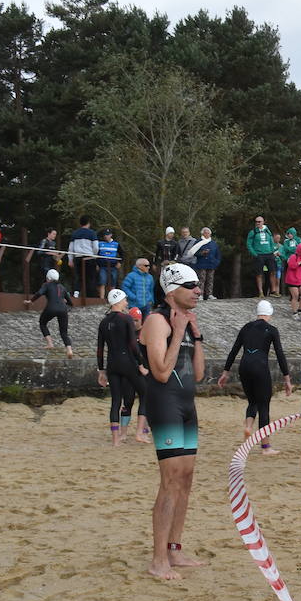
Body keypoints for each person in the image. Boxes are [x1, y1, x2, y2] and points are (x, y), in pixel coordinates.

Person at [141, 263, 207, 579]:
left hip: (186, 405)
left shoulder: (184, 321)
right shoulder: (156, 321)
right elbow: (162, 373)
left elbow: (198, 374)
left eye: (198, 284)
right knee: (169, 481)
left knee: (186, 477)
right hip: (164, 404)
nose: (198, 289)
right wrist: (179, 330)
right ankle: (158, 560)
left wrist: (197, 336)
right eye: (190, 285)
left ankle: (175, 550)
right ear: (171, 290)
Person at [217, 300, 293, 455]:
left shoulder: (246, 327)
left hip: (244, 367)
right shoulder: (271, 330)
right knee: (264, 405)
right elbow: (280, 354)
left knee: (252, 402)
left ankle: (248, 427)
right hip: (260, 367)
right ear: (270, 314)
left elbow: (234, 350)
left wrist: (225, 372)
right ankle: (266, 447)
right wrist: (287, 379)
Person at [96, 288, 149, 445]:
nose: (126, 302)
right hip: (127, 363)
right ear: (118, 301)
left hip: (112, 364)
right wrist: (140, 364)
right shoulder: (125, 319)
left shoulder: (103, 322)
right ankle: (140, 432)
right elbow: (133, 345)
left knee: (116, 401)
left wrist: (101, 371)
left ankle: (116, 440)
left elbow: (99, 349)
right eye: (125, 299)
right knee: (146, 394)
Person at [29, 269, 74, 357]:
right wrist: (64, 303)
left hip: (51, 308)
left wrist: (31, 301)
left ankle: (50, 343)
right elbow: (70, 303)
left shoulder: (47, 285)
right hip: (63, 309)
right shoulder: (62, 287)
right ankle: (69, 350)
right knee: (64, 332)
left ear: (48, 278)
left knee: (42, 323)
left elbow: (39, 293)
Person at [246, 216, 279, 297]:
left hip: (269, 254)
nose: (258, 223)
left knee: (273, 271)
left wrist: (272, 251)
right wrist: (255, 254)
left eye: (259, 221)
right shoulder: (253, 232)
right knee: (259, 273)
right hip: (259, 254)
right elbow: (249, 244)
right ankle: (260, 292)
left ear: (263, 222)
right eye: (256, 221)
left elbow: (271, 241)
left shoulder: (267, 231)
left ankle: (273, 290)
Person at [68, 216, 98, 295]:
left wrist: (70, 260)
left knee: (78, 277)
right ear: (88, 223)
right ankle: (90, 296)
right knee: (90, 278)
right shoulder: (92, 233)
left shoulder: (75, 233)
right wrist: (94, 256)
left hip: (78, 257)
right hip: (89, 258)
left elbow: (70, 248)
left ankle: (76, 293)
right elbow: (96, 247)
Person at [284, 243, 301, 318]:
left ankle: (300, 311)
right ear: (299, 250)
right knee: (295, 296)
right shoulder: (293, 256)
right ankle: (294, 313)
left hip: (300, 280)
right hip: (292, 280)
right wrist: (300, 263)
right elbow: (291, 266)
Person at [195, 228, 221, 299]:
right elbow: (194, 253)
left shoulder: (213, 243)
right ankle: (200, 295)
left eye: (208, 233)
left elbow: (218, 254)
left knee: (210, 280)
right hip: (201, 264)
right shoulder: (198, 242)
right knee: (201, 280)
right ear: (202, 234)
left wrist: (216, 262)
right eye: (205, 233)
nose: (207, 234)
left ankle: (209, 294)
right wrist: (202, 253)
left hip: (211, 264)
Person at [96, 229, 120, 296]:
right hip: (102, 266)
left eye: (107, 235)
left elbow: (122, 254)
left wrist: (119, 263)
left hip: (113, 266)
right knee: (102, 283)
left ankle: (113, 299)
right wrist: (97, 264)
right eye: (105, 235)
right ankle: (102, 299)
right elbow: (96, 254)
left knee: (113, 284)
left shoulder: (116, 244)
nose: (106, 236)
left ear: (111, 235)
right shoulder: (100, 244)